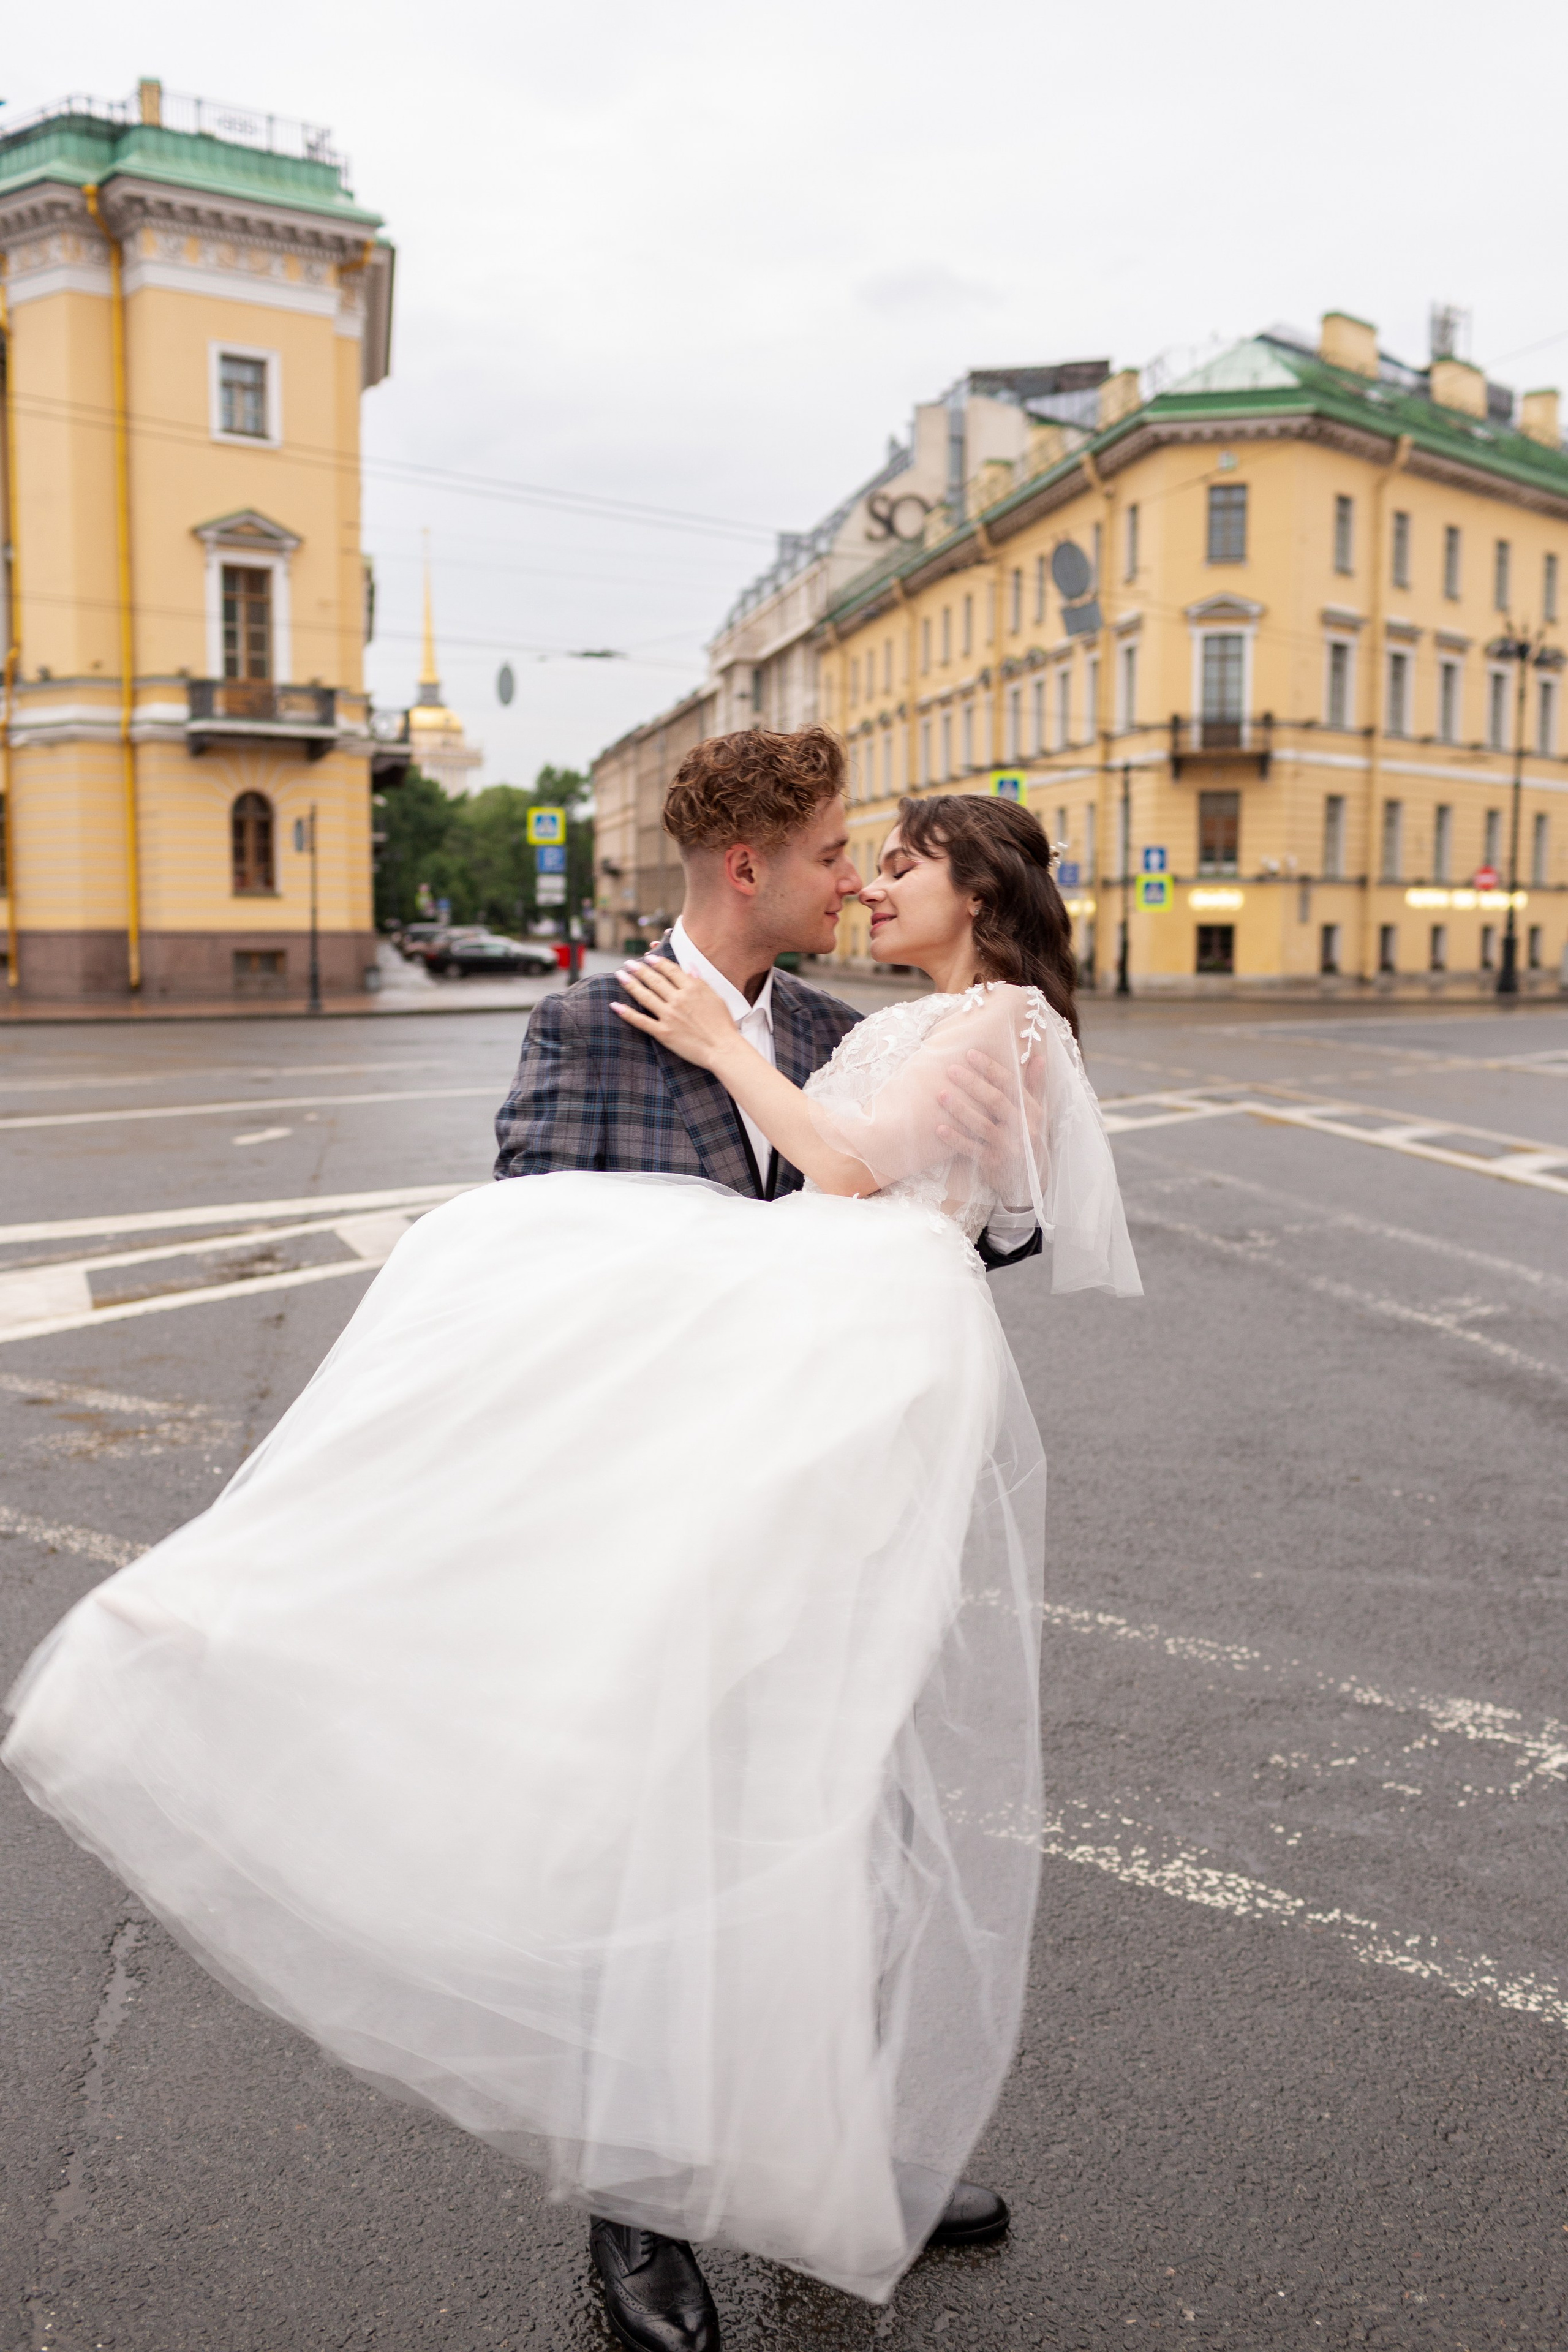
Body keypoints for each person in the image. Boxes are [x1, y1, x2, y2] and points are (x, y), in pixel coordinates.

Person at [3, 748, 1139, 2352]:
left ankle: (829, 2162)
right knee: (660, 1822)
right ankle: (643, 2206)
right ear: (748, 867)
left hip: (824, 1467)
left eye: (875, 859)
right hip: (660, 1472)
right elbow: (543, 1239)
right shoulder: (590, 1011)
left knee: (838, 1811)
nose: (853, 879)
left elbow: (959, 1191)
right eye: (831, 854)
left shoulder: (833, 1028)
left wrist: (986, 1144)